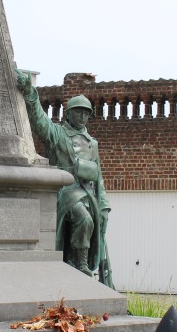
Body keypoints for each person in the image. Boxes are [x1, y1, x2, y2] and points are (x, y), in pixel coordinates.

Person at [15, 67, 113, 288]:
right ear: (68, 114)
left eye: (86, 113)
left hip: (88, 194)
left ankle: (79, 262)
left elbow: (99, 177)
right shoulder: (57, 134)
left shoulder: (92, 143)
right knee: (84, 219)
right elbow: (39, 120)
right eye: (78, 112)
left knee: (91, 217)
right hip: (66, 192)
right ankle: (79, 264)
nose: (82, 116)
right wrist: (31, 92)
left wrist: (104, 205)